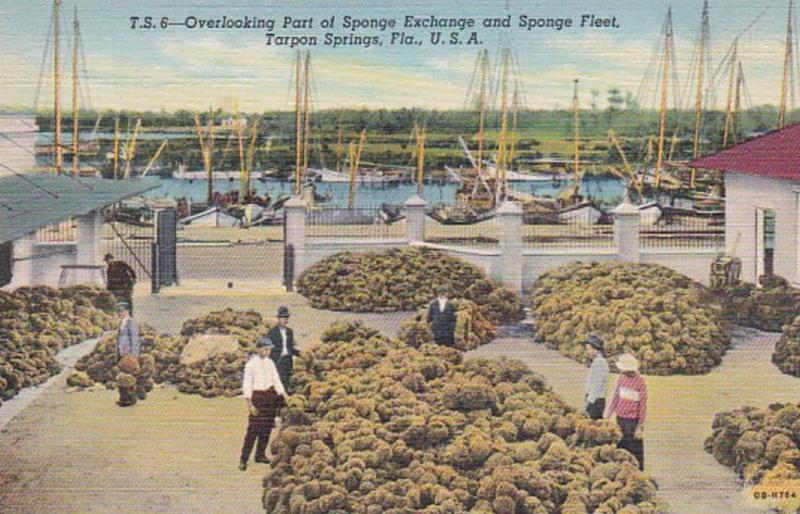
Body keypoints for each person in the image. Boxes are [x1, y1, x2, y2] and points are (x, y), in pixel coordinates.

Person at [240, 338, 286, 471]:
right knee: (253, 430)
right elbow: (247, 384)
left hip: (270, 397)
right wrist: (250, 404)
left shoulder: (270, 363)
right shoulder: (251, 365)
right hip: (257, 397)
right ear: (258, 349)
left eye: (269, 350)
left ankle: (260, 455)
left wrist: (283, 394)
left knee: (266, 428)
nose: (267, 352)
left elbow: (276, 379)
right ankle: (244, 458)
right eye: (265, 349)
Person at [606, 353, 648, 470]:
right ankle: (622, 470)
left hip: (633, 421)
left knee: (634, 449)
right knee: (621, 447)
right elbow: (615, 397)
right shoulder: (621, 378)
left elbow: (643, 405)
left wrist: (640, 425)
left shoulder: (640, 382)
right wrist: (608, 415)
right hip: (620, 419)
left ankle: (637, 471)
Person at [264, 306, 300, 392]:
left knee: (286, 383)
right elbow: (266, 347)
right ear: (278, 319)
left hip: (287, 361)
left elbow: (290, 347)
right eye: (283, 318)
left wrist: (300, 354)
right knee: (278, 384)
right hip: (278, 361)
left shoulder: (289, 331)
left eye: (286, 318)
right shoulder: (272, 332)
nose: (285, 320)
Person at [115, 301, 141, 407]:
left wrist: (134, 355)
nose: (119, 313)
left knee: (129, 378)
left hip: (129, 354)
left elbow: (135, 340)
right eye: (118, 311)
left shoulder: (131, 322)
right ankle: (123, 398)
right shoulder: (122, 322)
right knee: (122, 377)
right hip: (122, 353)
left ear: (127, 311)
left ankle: (130, 399)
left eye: (121, 311)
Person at [584, 334, 609, 420]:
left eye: (589, 349)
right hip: (594, 399)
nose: (587, 352)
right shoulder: (597, 362)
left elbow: (597, 385)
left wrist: (590, 401)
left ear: (596, 349)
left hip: (596, 401)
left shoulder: (600, 363)